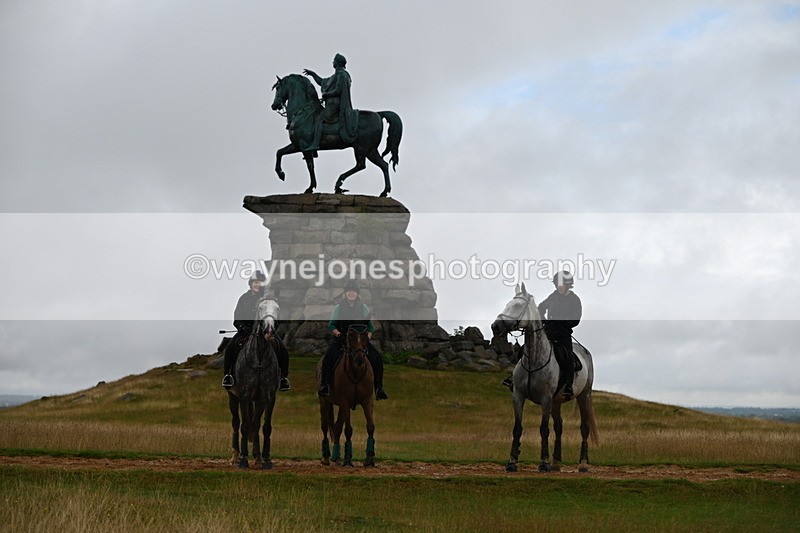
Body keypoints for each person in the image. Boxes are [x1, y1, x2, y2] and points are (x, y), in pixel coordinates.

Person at [502, 271, 582, 399]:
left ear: (568, 284)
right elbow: (541, 308)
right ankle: (514, 378)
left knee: (567, 356)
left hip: (563, 334)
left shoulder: (574, 299)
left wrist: (563, 322)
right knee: (523, 350)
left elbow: (576, 319)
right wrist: (543, 319)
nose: (559, 286)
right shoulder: (553, 296)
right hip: (548, 332)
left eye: (561, 284)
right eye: (557, 284)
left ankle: (568, 385)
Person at [318, 280, 388, 400]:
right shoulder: (339, 307)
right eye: (349, 291)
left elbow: (370, 326)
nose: (351, 293)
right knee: (329, 356)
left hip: (359, 341)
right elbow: (332, 325)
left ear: (357, 293)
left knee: (377, 358)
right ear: (345, 293)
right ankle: (325, 385)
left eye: (354, 291)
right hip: (342, 339)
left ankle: (378, 388)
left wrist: (368, 336)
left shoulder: (363, 307)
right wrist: (338, 334)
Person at [222, 271, 291, 391]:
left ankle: (283, 378)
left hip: (266, 332)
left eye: (260, 283)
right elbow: (237, 318)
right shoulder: (244, 299)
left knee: (283, 349)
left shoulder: (268, 300)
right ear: (251, 284)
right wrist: (245, 329)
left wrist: (271, 330)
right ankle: (228, 376)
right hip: (245, 331)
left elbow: (275, 317)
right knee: (230, 348)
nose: (258, 285)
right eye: (255, 282)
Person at [303, 53, 359, 151]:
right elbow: (322, 82)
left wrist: (326, 94)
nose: (333, 62)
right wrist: (313, 74)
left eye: (334, 61)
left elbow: (338, 90)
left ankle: (316, 144)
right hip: (332, 104)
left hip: (336, 105)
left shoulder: (342, 74)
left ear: (337, 63)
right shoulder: (336, 75)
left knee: (319, 118)